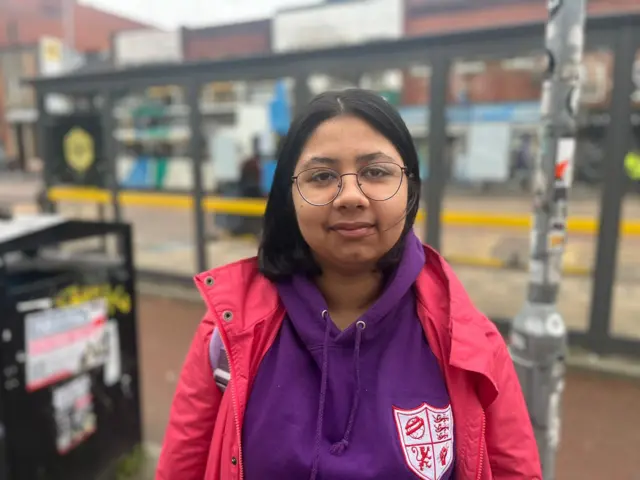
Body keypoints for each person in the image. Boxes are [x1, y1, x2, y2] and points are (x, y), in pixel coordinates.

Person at [156, 89, 541, 480]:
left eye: (376, 172)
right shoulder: (228, 336)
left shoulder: (470, 344)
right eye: (322, 176)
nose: (351, 197)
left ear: (410, 188)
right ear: (289, 196)